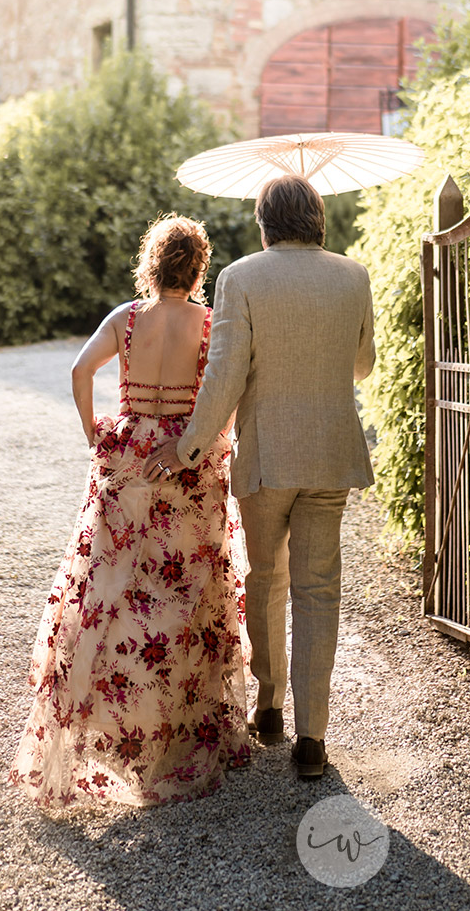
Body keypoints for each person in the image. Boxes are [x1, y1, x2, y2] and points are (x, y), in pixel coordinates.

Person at [9, 214, 250, 811]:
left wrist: (95, 430)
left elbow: (79, 370)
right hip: (185, 458)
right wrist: (211, 437)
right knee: (185, 587)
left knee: (110, 586)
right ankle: (170, 730)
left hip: (129, 456)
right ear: (199, 268)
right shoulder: (210, 324)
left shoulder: (127, 318)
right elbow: (228, 392)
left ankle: (105, 718)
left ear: (151, 263)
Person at [147, 174, 375, 780]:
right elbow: (364, 365)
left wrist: (188, 446)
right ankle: (313, 740)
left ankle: (270, 708)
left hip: (268, 455)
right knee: (320, 590)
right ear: (317, 218)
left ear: (265, 221)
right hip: (329, 453)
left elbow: (223, 375)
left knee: (267, 578)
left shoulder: (239, 278)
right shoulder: (353, 276)